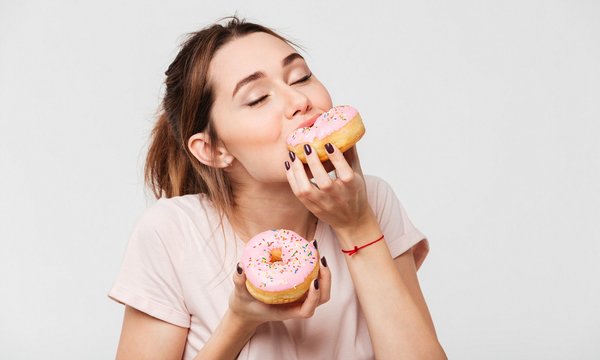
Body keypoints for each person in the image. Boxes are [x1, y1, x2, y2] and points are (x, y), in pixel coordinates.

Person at [109, 16, 447, 360]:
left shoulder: (372, 200)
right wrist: (240, 321)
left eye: (301, 77)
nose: (300, 100)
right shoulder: (171, 233)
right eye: (257, 98)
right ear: (213, 150)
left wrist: (357, 226)